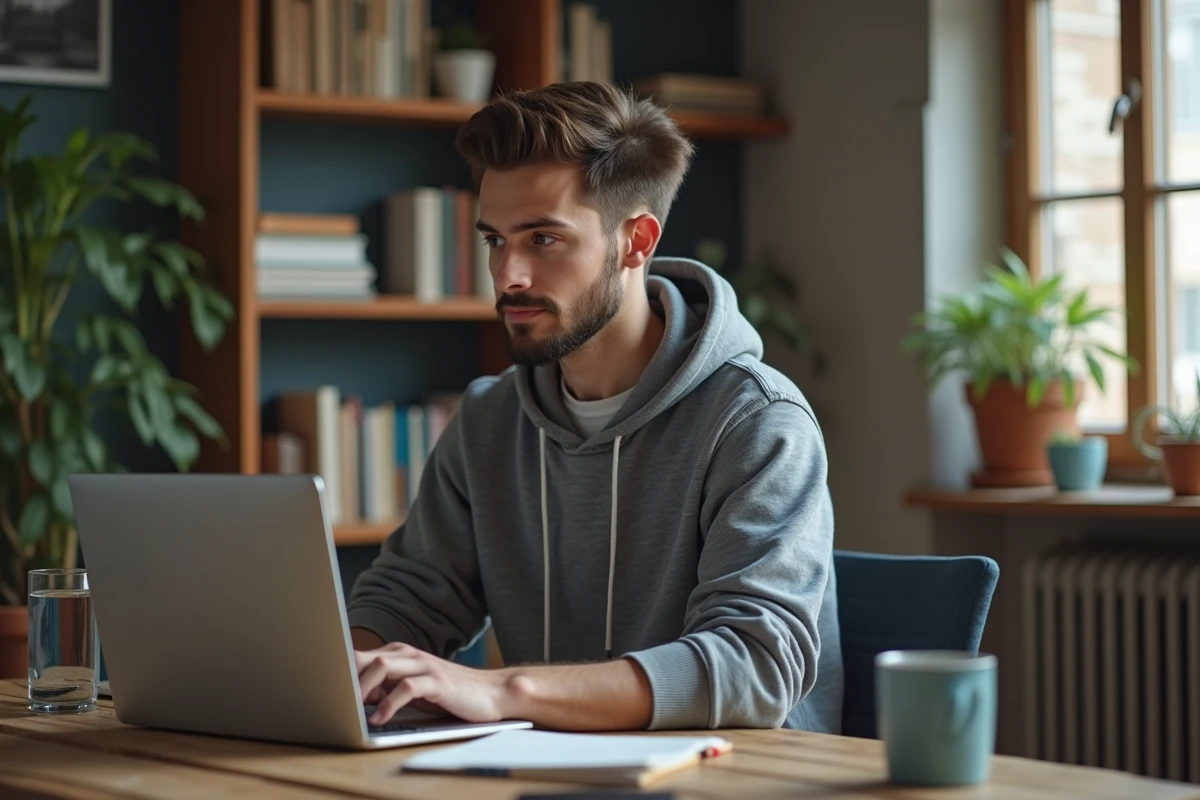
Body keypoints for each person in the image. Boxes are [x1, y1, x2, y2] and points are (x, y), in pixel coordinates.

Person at [345, 80, 843, 734]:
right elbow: (408, 599)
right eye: (495, 240)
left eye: (543, 239)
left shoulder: (757, 423)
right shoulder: (490, 421)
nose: (508, 276)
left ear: (636, 241)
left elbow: (755, 666)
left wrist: (506, 689)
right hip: (553, 767)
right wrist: (345, 672)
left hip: (738, 771)